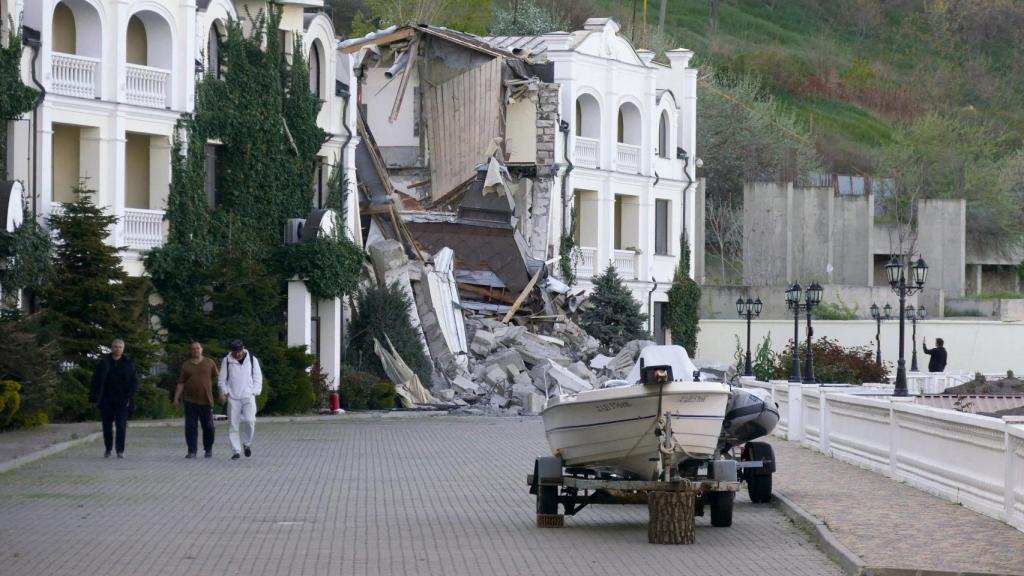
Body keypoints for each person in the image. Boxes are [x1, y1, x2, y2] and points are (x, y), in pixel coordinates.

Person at [89, 339, 139, 459]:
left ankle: (120, 450)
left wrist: (130, 395)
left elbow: (134, 380)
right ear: (111, 348)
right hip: (106, 399)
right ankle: (108, 448)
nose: (118, 349)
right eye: (115, 347)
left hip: (123, 399)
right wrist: (95, 396)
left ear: (123, 349)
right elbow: (96, 380)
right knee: (107, 426)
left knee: (121, 425)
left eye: (120, 347)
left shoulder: (128, 363)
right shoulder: (104, 362)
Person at [173, 341, 219, 459]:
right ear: (191, 351)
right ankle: (192, 450)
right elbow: (181, 382)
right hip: (190, 401)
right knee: (190, 427)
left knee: (208, 427)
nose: (195, 350)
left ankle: (208, 449)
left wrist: (221, 393)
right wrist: (176, 398)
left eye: (197, 348)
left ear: (202, 349)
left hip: (206, 400)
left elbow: (218, 378)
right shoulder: (186, 365)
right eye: (193, 349)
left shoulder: (209, 363)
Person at [218, 339, 262, 460]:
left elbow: (257, 377)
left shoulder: (252, 359)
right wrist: (226, 392)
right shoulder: (227, 360)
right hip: (233, 397)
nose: (237, 354)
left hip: (248, 396)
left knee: (250, 421)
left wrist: (254, 391)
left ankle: (247, 444)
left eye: (239, 351)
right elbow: (222, 380)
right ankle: (236, 451)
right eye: (235, 352)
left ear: (243, 348)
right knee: (233, 425)